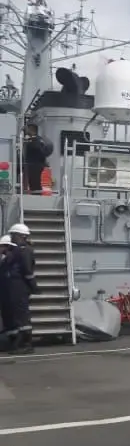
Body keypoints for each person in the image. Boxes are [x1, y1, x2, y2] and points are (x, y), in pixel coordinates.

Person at [0, 224, 37, 353]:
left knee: (22, 317)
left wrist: (33, 286)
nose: (12, 237)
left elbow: (27, 270)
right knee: (13, 316)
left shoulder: (24, 250)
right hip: (12, 288)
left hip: (19, 287)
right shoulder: (16, 251)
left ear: (20, 236)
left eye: (13, 235)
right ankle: (16, 343)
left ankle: (26, 344)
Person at [21, 123, 53, 194]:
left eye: (27, 129)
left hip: (35, 165)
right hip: (33, 165)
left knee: (35, 183)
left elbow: (39, 150)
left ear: (32, 130)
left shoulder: (35, 140)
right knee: (32, 183)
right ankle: (35, 194)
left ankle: (37, 196)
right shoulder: (36, 140)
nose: (26, 131)